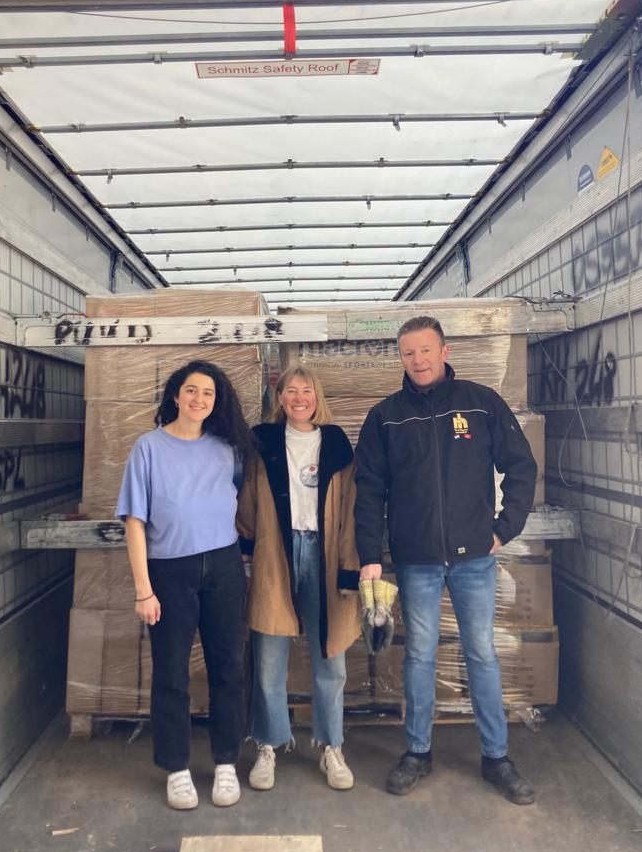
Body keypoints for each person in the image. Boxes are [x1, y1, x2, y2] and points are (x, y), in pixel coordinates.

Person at [354, 316, 538, 805]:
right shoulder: (385, 417)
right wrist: (369, 554)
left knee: (481, 654)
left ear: (444, 350)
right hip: (415, 561)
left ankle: (496, 757)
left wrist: (504, 528)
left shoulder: (479, 404)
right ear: (401, 358)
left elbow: (521, 465)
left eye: (426, 350)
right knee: (418, 656)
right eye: (408, 353)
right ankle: (418, 751)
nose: (418, 360)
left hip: (474, 559)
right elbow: (369, 490)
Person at [115, 359, 254, 811]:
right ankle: (176, 768)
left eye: (208, 394)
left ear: (217, 402)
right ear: (176, 395)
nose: (199, 400)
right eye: (191, 391)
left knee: (228, 667)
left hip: (224, 566)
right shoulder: (148, 448)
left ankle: (227, 762)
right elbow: (134, 522)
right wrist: (143, 589)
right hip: (168, 573)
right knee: (171, 672)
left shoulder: (227, 448)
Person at [237, 366, 361, 792]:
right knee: (269, 655)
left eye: (307, 390)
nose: (299, 397)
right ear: (281, 398)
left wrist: (350, 566)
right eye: (291, 390)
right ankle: (268, 745)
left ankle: (331, 746)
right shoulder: (263, 441)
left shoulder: (337, 444)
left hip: (326, 553)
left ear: (317, 396)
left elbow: (349, 511)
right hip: (277, 550)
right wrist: (247, 551)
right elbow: (248, 499)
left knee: (331, 656)